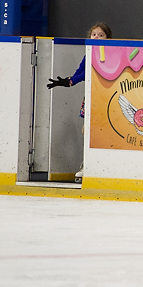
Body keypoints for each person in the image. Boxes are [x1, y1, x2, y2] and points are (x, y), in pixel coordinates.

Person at [46, 22, 112, 183]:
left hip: (105, 97)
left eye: (101, 35)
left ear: (108, 38)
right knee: (86, 130)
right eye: (94, 34)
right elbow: (80, 73)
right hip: (90, 96)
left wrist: (73, 80)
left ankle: (99, 164)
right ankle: (87, 163)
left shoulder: (109, 55)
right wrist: (67, 81)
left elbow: (92, 72)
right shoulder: (88, 54)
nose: (96, 37)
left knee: (99, 131)